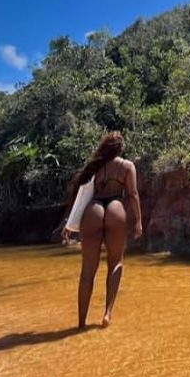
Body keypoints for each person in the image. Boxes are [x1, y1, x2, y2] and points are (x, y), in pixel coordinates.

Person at [62, 131, 143, 329]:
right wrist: (139, 220)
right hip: (115, 208)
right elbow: (132, 194)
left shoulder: (95, 167)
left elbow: (82, 196)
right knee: (115, 263)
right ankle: (107, 314)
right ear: (121, 148)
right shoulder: (127, 166)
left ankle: (81, 323)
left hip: (94, 210)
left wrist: (69, 223)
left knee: (88, 270)